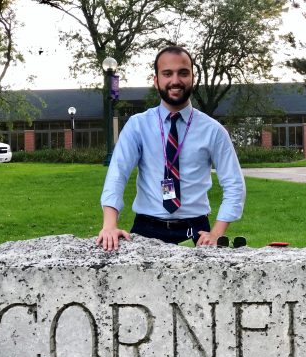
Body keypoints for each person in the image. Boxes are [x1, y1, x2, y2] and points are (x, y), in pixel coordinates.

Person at [96, 46, 245, 251]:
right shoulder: (137, 125)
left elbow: (234, 185)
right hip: (146, 229)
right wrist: (109, 225)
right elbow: (117, 174)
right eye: (167, 73)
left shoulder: (213, 131)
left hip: (197, 232)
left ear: (193, 77)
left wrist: (217, 233)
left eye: (183, 73)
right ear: (156, 80)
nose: (175, 80)